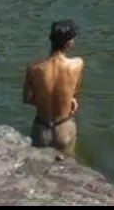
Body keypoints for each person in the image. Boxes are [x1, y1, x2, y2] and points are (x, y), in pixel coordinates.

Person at [22, 19, 83, 151]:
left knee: (37, 168)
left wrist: (44, 100)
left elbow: (26, 99)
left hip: (41, 129)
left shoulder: (33, 68)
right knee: (66, 168)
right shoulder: (77, 64)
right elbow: (74, 93)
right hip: (64, 128)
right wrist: (70, 100)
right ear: (68, 43)